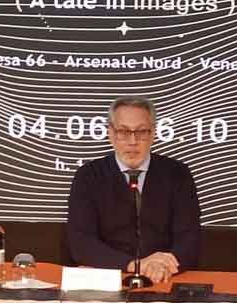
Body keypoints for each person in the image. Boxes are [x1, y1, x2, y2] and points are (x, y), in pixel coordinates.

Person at [66, 96, 201, 284]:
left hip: (164, 276)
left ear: (153, 133)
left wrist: (163, 265)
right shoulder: (88, 176)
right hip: (109, 278)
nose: (132, 141)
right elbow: (81, 242)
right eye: (123, 131)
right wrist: (135, 265)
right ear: (110, 133)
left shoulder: (177, 173)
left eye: (141, 131)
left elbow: (190, 238)